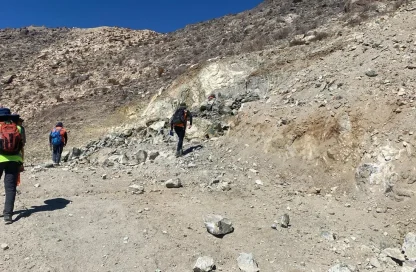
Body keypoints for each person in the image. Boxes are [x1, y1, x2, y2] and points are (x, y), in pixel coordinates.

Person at [0, 108, 24, 224]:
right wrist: (21, 162)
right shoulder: (18, 128)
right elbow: (22, 145)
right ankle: (8, 215)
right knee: (10, 188)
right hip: (14, 160)